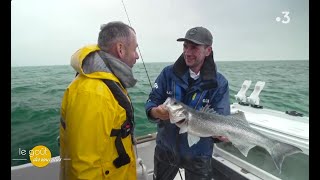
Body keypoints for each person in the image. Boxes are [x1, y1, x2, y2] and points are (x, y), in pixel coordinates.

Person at [145, 26, 230, 180]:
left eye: (194, 47)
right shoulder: (167, 74)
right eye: (185, 46)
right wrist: (156, 112)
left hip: (199, 154)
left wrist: (221, 136)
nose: (187, 52)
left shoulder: (220, 83)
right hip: (166, 149)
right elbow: (151, 103)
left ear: (208, 51)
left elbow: (222, 118)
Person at [59, 21, 139, 180]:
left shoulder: (106, 81)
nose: (137, 55)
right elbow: (85, 165)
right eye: (135, 48)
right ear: (121, 49)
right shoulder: (93, 93)